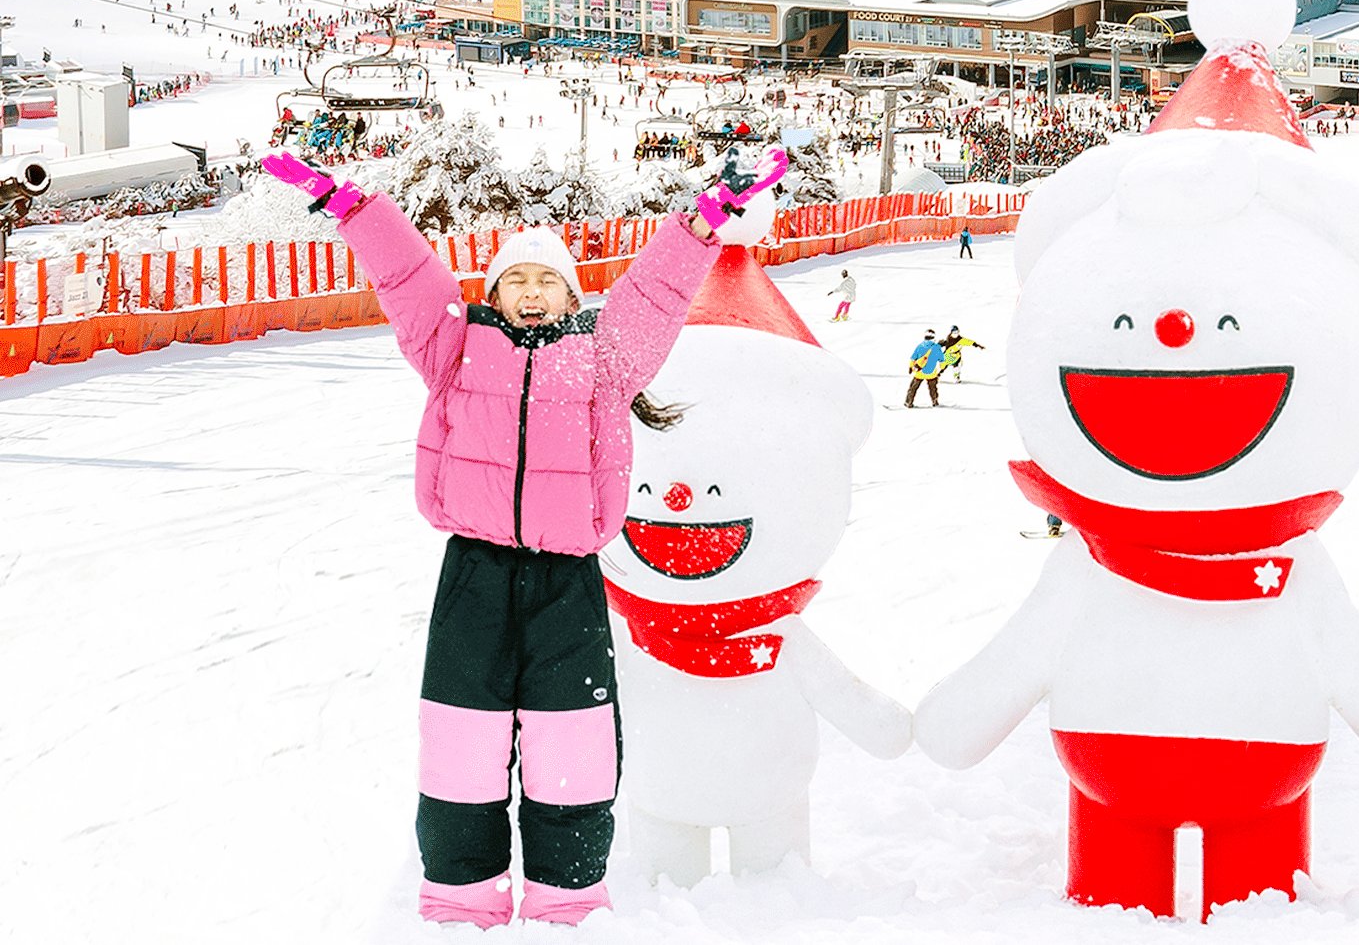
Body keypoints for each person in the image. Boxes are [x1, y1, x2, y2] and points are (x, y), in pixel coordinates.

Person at [257, 144, 785, 926]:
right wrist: (349, 204)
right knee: (460, 747)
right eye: (516, 279)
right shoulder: (456, 349)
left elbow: (657, 292)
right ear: (494, 291)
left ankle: (569, 904)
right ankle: (460, 898)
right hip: (472, 575)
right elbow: (408, 277)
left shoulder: (603, 361)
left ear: (570, 294)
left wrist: (705, 219)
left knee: (572, 750)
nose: (532, 292)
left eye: (548, 280)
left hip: (566, 584)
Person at [907, 331, 949, 407]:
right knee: (933, 388)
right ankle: (934, 401)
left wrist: (911, 367)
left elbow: (913, 358)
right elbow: (942, 361)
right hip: (931, 373)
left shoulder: (920, 346)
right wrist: (941, 369)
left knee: (913, 388)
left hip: (919, 373)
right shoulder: (937, 348)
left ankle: (908, 402)